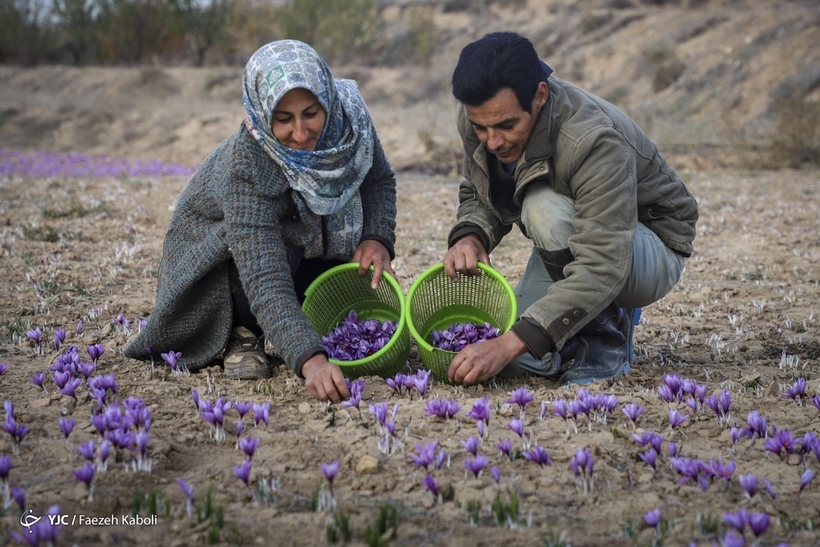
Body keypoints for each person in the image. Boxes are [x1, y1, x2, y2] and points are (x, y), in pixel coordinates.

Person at [125, 40, 397, 403]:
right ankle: (241, 330)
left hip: (303, 245)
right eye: (283, 119)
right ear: (262, 112)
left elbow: (378, 179)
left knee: (338, 312)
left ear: (327, 100)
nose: (300, 134)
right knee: (272, 263)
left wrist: (377, 238)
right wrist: (311, 361)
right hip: (226, 265)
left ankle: (287, 326)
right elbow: (263, 272)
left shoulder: (350, 122)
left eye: (311, 113)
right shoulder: (248, 160)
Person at [442, 32, 698, 386]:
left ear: (540, 96)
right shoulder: (484, 110)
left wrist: (508, 343)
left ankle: (605, 339)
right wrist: (471, 235)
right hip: (579, 234)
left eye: (506, 126)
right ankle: (576, 325)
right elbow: (480, 185)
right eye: (480, 128)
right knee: (512, 364)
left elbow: (603, 263)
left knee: (542, 209)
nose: (493, 140)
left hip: (646, 245)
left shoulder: (592, 140)